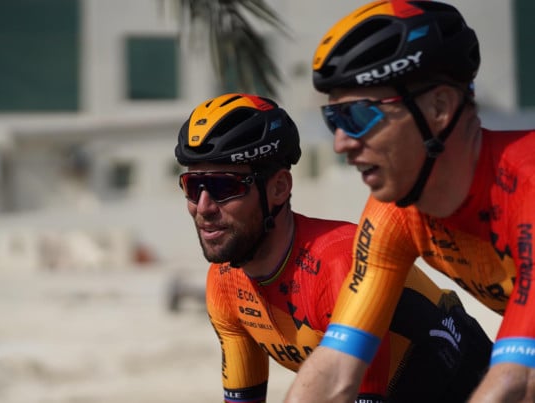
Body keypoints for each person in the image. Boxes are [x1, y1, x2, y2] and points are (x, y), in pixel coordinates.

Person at [285, 1, 535, 402]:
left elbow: (517, 382)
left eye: (358, 116)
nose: (340, 143)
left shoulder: (527, 184)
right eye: (334, 121)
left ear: (439, 108)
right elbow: (335, 369)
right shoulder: (394, 213)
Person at [175, 92, 492, 403]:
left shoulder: (336, 262)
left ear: (279, 188)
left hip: (468, 383)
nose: (203, 207)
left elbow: (365, 395)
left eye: (223, 187)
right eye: (193, 187)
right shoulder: (224, 281)